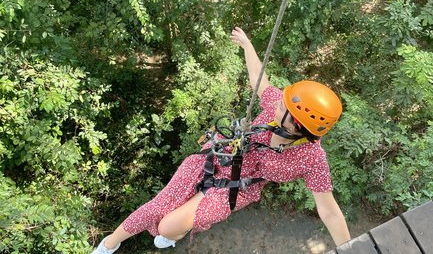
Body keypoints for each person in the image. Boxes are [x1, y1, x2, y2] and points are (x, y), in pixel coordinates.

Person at [92, 27, 351, 254]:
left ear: (297, 124)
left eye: (284, 107)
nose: (277, 104)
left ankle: (173, 234)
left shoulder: (312, 158)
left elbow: (329, 211)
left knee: (167, 228)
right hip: (215, 157)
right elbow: (259, 81)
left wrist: (351, 249)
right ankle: (109, 245)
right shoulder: (274, 106)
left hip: (237, 189)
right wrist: (248, 46)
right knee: (157, 206)